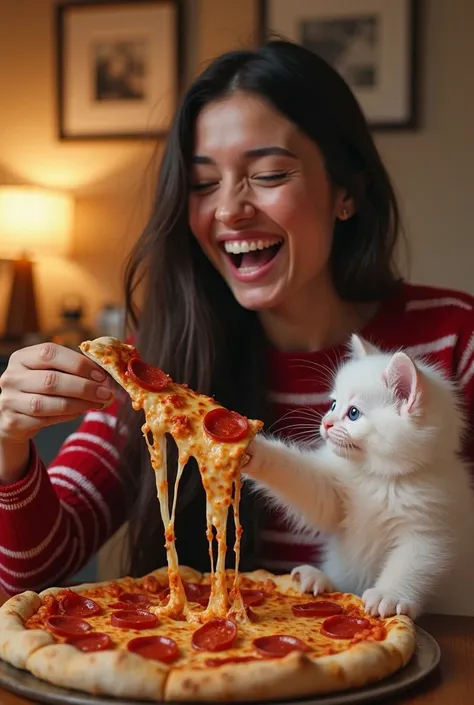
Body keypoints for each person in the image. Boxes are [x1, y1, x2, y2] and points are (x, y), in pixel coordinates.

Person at [1, 39, 473, 595]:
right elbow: (30, 571)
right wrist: (9, 445)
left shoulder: (454, 340)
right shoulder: (160, 361)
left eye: (269, 174)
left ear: (346, 191)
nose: (228, 209)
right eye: (203, 184)